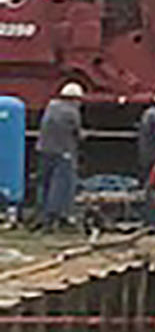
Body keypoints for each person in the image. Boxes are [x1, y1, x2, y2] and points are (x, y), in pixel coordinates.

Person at [35, 81, 84, 231]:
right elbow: (76, 133)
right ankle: (56, 216)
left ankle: (41, 215)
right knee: (61, 186)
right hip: (63, 152)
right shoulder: (72, 112)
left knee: (44, 184)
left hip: (44, 150)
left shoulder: (51, 106)